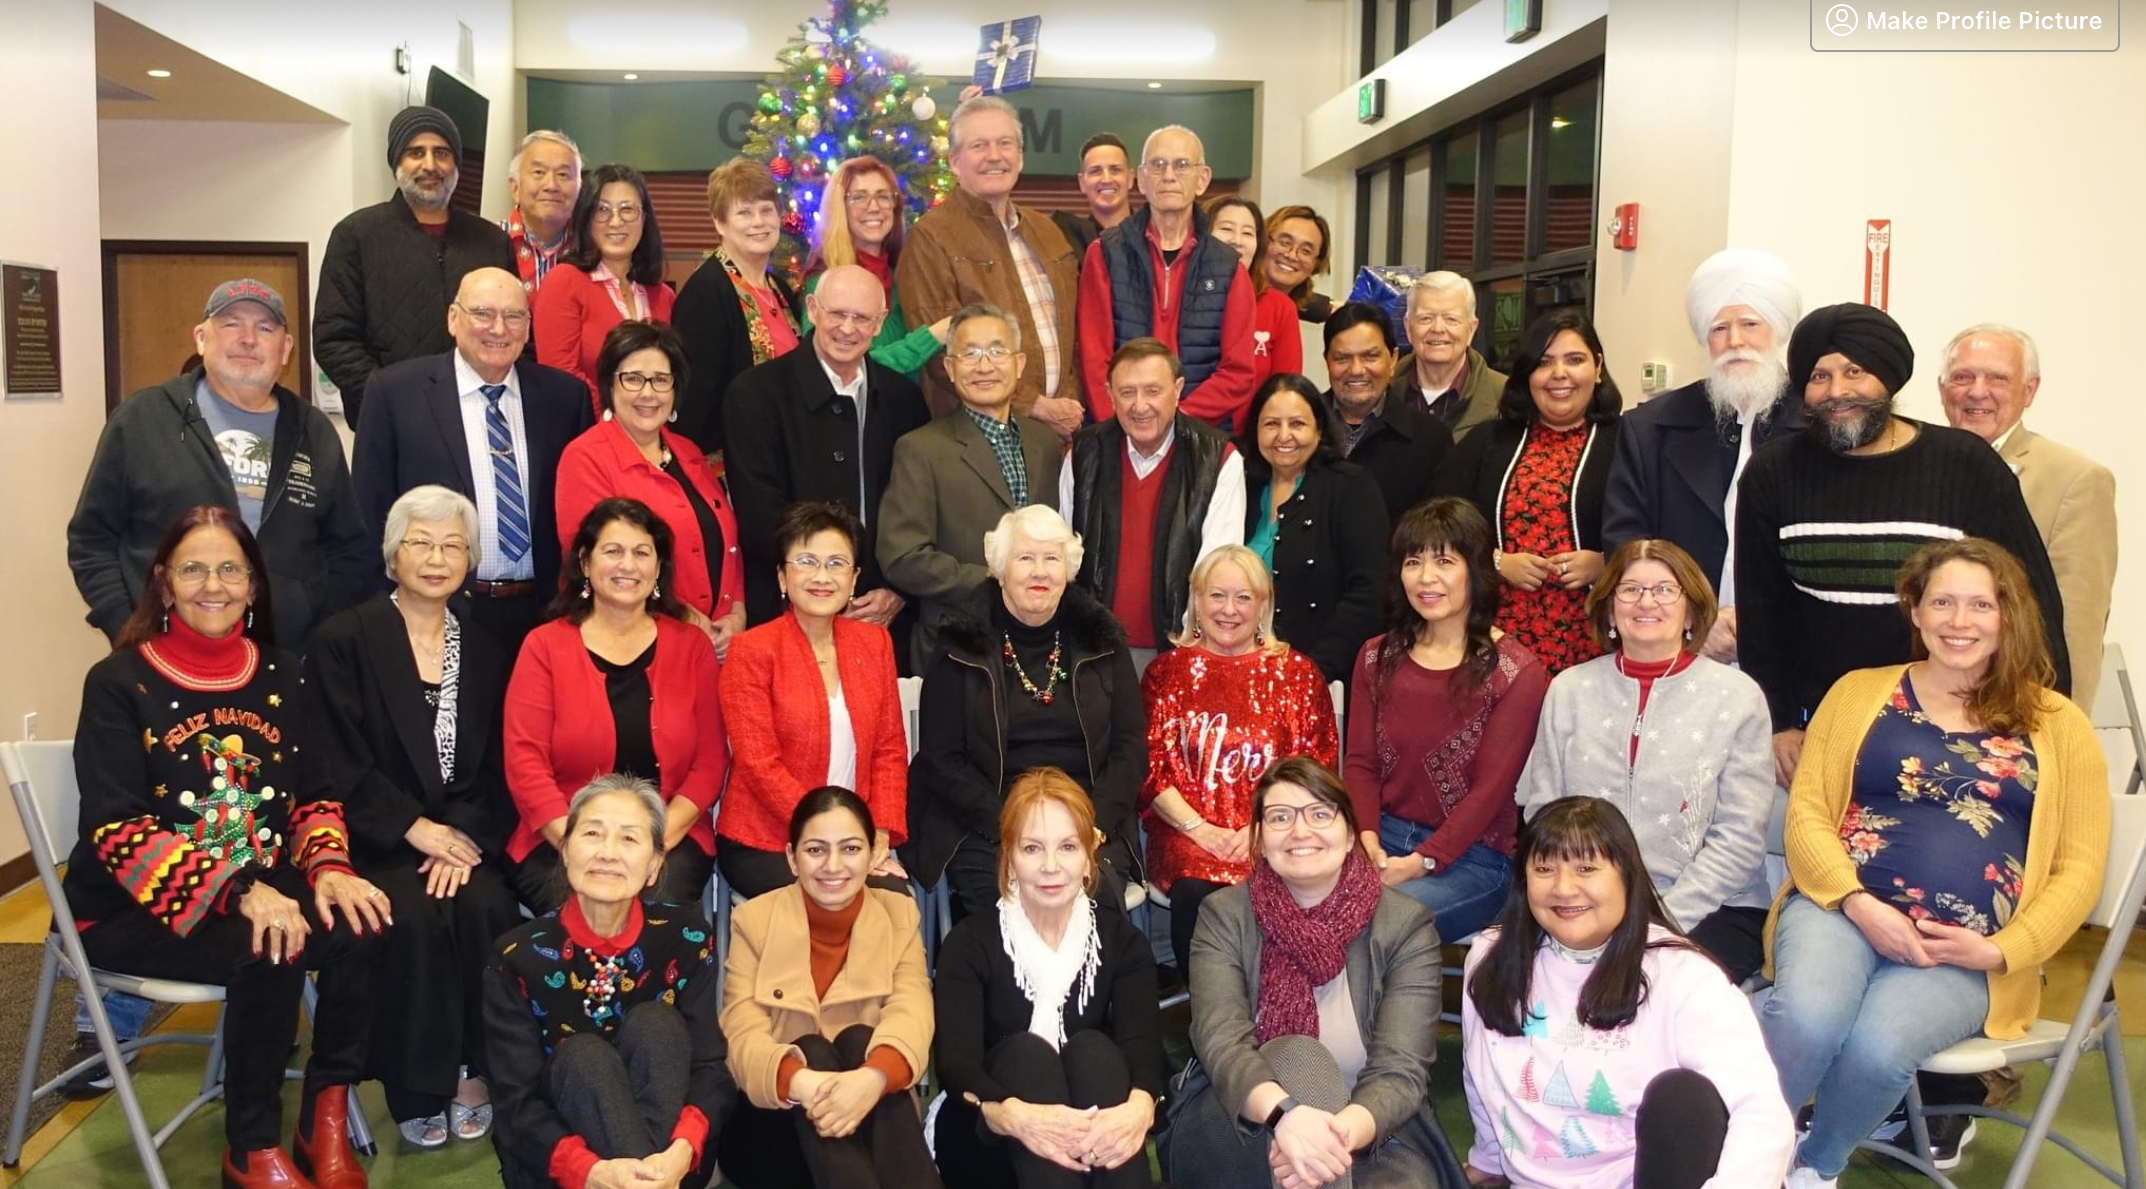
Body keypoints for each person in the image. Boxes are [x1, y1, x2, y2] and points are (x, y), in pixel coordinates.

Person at [1758, 538, 2108, 1189]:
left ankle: (1814, 1167)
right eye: (1942, 601)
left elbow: (2080, 866)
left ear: (2008, 615)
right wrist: (1857, 902)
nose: (1959, 619)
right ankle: (1738, 1157)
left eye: (1981, 603)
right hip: (1844, 909)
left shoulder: (2059, 724)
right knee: (1808, 1017)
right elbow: (1806, 812)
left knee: (1878, 1046)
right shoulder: (1859, 691)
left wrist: (2003, 949)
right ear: (1914, 611)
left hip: (1966, 950)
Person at [65, 505, 387, 1189]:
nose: (212, 584)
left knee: (364, 920)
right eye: (193, 568)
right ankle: (251, 1145)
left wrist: (328, 867)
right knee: (270, 941)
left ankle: (323, 1116)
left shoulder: (282, 672)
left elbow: (315, 797)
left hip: (259, 889)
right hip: (129, 908)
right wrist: (242, 891)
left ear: (253, 586)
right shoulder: (119, 682)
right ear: (164, 584)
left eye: (229, 569)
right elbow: (118, 829)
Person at [1734, 303, 2069, 789]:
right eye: (1819, 376)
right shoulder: (1774, 471)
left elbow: (2030, 604)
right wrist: (1779, 720)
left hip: (1962, 731)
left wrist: (2046, 724)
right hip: (1825, 731)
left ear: (1889, 379)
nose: (1837, 391)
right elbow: (1763, 612)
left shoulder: (1965, 466)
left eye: (1855, 371)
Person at [307, 486, 522, 1148]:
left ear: (471, 559)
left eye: (454, 544)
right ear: (392, 553)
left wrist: (458, 839)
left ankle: (471, 1067)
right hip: (375, 837)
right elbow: (333, 757)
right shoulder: (345, 637)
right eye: (420, 543)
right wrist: (412, 827)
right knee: (410, 916)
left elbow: (497, 766)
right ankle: (413, 1085)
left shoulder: (487, 646)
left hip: (460, 834)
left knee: (487, 903)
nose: (437, 557)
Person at [1461, 797, 1796, 1189]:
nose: (1564, 888)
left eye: (1586, 868)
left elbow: (1761, 1111)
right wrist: (1487, 1158)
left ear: (1626, 877)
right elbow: (1480, 1071)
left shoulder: (1683, 976)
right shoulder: (1492, 956)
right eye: (1544, 868)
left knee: (1685, 1097)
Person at [1162, 756, 1462, 1189]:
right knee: (1300, 1055)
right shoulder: (1224, 915)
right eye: (1280, 817)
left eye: (1320, 814)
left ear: (1348, 836)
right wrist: (1287, 1119)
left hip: (1367, 1128)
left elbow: (1401, 1069)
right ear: (1260, 840)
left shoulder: (1404, 924)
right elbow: (1221, 1042)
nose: (1300, 831)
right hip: (1241, 1120)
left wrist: (1327, 1144)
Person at [1513, 539, 1775, 982]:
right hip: (1582, 899)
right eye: (1630, 589)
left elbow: (1741, 838)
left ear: (1691, 611)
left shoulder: (1736, 697)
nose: (1645, 602)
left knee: (1639, 989)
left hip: (1710, 907)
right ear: (1610, 608)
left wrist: (1655, 921)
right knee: (1522, 977)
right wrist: (1585, 901)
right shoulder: (1569, 690)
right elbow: (1543, 811)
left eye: (1664, 590)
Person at [70, 278, 370, 648]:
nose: (248, 339)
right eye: (231, 324)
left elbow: (348, 549)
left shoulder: (314, 431)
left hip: (282, 661)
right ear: (200, 338)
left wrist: (316, 635)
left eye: (265, 327)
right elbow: (91, 540)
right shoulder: (142, 420)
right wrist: (128, 626)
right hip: (162, 657)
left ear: (286, 348)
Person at [484, 774, 737, 1189]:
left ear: (655, 865)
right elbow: (516, 1105)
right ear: (565, 851)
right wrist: (594, 1172)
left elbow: (709, 1070)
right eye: (592, 833)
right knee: (584, 1057)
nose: (607, 853)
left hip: (669, 1165)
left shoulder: (686, 938)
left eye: (629, 840)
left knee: (657, 1024)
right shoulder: (517, 958)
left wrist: (680, 1152)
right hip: (563, 1165)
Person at [910, 505, 1145, 920]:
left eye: (1052, 558)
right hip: (988, 823)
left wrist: (1089, 823)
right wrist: (1013, 825)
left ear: (1068, 569)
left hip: (1088, 819)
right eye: (1025, 558)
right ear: (1000, 570)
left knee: (1095, 905)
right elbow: (942, 760)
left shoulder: (1104, 641)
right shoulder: (959, 644)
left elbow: (1129, 750)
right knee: (1009, 909)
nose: (1040, 572)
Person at [933, 770, 1164, 1189]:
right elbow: (956, 1065)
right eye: (1033, 848)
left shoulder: (1122, 942)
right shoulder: (969, 942)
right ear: (1009, 857)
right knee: (1026, 1054)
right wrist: (1018, 1116)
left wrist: (1138, 1108)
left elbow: (1143, 1049)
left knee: (1095, 1050)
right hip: (991, 1137)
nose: (1051, 866)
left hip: (1097, 1139)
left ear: (1089, 856)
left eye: (1068, 847)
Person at [502, 498, 726, 912]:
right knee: (583, 909)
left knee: (652, 910)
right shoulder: (544, 646)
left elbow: (710, 762)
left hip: (668, 837)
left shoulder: (691, 647)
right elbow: (524, 763)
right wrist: (577, 846)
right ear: (585, 563)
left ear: (658, 569)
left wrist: (655, 844)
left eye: (642, 553)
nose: (628, 565)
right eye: (613, 551)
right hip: (559, 835)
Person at [352, 266, 592, 652]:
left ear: (528, 326)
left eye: (513, 315)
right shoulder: (395, 393)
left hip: (544, 616)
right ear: (453, 318)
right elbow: (368, 513)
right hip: (436, 613)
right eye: (482, 313)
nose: (499, 328)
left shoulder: (565, 398)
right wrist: (379, 619)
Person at [1348, 498, 1551, 943]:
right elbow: (1361, 764)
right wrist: (1366, 841)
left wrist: (1421, 861)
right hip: (1377, 838)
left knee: (1371, 927)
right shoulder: (1376, 656)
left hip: (1476, 861)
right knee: (1281, 905)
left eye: (1444, 560)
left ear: (1475, 571)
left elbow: (1489, 793)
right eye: (1413, 561)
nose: (1425, 578)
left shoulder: (1516, 672)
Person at [717, 788, 941, 1189]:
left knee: (861, 1039)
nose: (833, 866)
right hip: (774, 1126)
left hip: (871, 1108)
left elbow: (913, 1012)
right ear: (791, 857)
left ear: (874, 855)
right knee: (812, 1048)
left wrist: (870, 1080)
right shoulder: (753, 921)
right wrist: (811, 1084)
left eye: (850, 848)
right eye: (816, 850)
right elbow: (742, 1037)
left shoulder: (899, 915)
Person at [1600, 248, 1804, 664]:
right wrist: (1693, 620)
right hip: (1680, 645)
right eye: (1719, 328)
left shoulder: (1816, 426)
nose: (1735, 342)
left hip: (1792, 649)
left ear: (1777, 330)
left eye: (1750, 324)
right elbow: (1628, 545)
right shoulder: (1650, 428)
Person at [1139, 545, 1338, 972]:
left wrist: (1260, 828)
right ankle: (1212, 1014)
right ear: (1196, 600)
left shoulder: (1297, 674)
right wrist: (1201, 830)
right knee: (1196, 889)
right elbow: (1149, 770)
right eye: (1217, 595)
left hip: (1279, 830)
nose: (1229, 610)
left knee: (1276, 882)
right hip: (1186, 834)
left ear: (1264, 605)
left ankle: (1276, 1007)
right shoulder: (1165, 673)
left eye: (1244, 597)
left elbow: (1315, 770)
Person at [717, 502, 911, 899]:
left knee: (894, 901)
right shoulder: (752, 649)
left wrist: (879, 833)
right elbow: (758, 765)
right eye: (807, 561)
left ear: (855, 578)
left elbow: (889, 751)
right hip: (767, 839)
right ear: (782, 577)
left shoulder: (874, 644)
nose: (822, 577)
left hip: (854, 836)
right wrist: (833, 838)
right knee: (833, 903)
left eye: (837, 563)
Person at [723, 263, 932, 629]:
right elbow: (759, 517)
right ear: (813, 309)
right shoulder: (755, 395)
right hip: (788, 616)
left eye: (862, 318)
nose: (848, 329)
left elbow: (921, 513)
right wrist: (826, 591)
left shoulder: (905, 400)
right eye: (837, 314)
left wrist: (896, 589)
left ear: (881, 322)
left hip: (881, 616)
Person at [876, 304, 1065, 671]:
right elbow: (902, 557)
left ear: (1020, 363)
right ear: (949, 368)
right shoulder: (921, 448)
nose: (984, 366)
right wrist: (1000, 582)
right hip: (955, 647)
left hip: (1038, 645)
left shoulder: (1044, 442)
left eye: (997, 351)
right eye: (969, 354)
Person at [1435, 310, 1624, 676]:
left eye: (1574, 360)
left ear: (1598, 367)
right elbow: (1435, 525)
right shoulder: (1488, 441)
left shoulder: (1628, 443)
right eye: (1544, 362)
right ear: (1527, 375)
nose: (1559, 375)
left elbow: (1658, 532)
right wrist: (1496, 562)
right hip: (1497, 640)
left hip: (1600, 643)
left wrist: (1607, 563)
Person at [1938, 322, 2116, 710]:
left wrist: (2067, 727)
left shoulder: (2076, 479)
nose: (1977, 391)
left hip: (2015, 704)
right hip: (1926, 701)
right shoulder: (1920, 468)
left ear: (2029, 390)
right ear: (1942, 388)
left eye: (1997, 378)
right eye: (1962, 377)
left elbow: (2078, 625)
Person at [555, 321, 747, 655]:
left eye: (661, 380)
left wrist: (738, 612)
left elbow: (727, 540)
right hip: (632, 647)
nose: (648, 393)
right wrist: (686, 617)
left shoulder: (689, 453)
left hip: (716, 647)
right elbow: (598, 564)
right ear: (608, 386)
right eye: (633, 379)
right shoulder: (585, 458)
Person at [316, 105, 515, 425]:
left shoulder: (490, 241)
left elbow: (511, 328)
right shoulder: (356, 236)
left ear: (456, 164)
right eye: (415, 152)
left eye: (442, 153)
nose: (430, 165)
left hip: (477, 417)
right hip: (388, 421)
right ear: (397, 162)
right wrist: (389, 399)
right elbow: (333, 339)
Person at [897, 95, 1085, 433]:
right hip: (978, 439)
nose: (994, 156)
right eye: (979, 146)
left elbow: (1076, 334)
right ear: (955, 161)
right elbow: (944, 356)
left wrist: (1067, 405)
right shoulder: (930, 239)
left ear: (1021, 157)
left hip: (1060, 434)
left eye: (1005, 144)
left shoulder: (1048, 231)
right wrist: (1035, 406)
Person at [1059, 339, 1246, 667]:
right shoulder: (1083, 455)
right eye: (1127, 392)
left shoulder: (1218, 459)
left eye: (1152, 391)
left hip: (1181, 649)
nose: (1139, 405)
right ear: (1109, 393)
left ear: (1177, 390)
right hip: (1093, 651)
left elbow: (1218, 567)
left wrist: (1189, 652)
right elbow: (1063, 556)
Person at [1077, 125, 1258, 428]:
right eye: (1157, 165)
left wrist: (1176, 422)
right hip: (1120, 433)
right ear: (1141, 180)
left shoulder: (1229, 267)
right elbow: (1094, 360)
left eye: (1182, 165)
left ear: (1203, 180)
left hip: (1201, 435)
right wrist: (1125, 427)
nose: (1169, 175)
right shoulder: (1104, 254)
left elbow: (1238, 371)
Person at [1237, 375, 1389, 682]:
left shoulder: (1349, 486)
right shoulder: (1240, 486)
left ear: (1319, 429)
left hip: (1321, 676)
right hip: (1241, 668)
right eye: (1270, 424)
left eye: (1297, 424)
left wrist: (1310, 672)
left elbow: (1370, 592)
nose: (1283, 436)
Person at [672, 157, 803, 453]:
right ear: (720, 222)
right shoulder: (705, 294)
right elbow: (695, 405)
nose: (759, 222)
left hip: (782, 453)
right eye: (744, 212)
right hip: (730, 464)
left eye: (766, 210)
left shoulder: (779, 290)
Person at [534, 164, 678, 407]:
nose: (615, 221)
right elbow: (560, 374)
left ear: (644, 218)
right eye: (602, 210)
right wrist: (623, 419)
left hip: (652, 434)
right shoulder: (564, 282)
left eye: (627, 210)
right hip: (586, 433)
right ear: (586, 218)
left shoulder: (664, 296)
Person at [798, 156, 950, 379]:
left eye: (883, 196)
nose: (874, 207)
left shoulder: (902, 278)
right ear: (840, 208)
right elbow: (839, 367)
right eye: (859, 197)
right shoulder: (824, 282)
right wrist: (932, 337)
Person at [1322, 301, 1454, 521]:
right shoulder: (1300, 429)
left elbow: (1440, 531)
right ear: (1326, 361)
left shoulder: (1430, 440)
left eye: (1370, 356)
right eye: (1342, 358)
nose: (1356, 370)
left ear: (1393, 359)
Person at [1204, 195, 1304, 398]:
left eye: (1248, 233)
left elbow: (1287, 391)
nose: (1237, 241)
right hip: (1187, 423)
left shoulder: (1279, 307)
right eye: (1226, 229)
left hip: (1252, 428)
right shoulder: (1179, 298)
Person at [1388, 272, 1508, 439]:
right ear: (1408, 327)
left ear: (1471, 329)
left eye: (1451, 319)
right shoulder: (1381, 392)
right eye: (1426, 318)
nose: (1438, 328)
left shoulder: (1506, 398)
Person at [500, 129, 583, 293]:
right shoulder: (486, 242)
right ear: (515, 187)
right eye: (539, 172)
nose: (551, 185)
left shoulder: (592, 246)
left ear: (579, 190)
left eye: (563, 175)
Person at [1051, 132, 1133, 257]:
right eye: (1096, 171)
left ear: (1130, 179)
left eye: (1115, 170)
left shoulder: (1153, 236)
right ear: (1082, 183)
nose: (1106, 179)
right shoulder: (1066, 244)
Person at [1263, 205, 1334, 324]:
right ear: (1262, 241)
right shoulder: (1230, 295)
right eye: (1285, 243)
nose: (1291, 255)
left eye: (1306, 251)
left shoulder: (1288, 311)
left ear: (1316, 264)